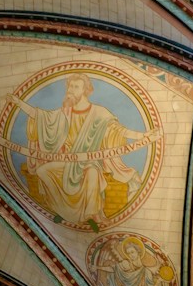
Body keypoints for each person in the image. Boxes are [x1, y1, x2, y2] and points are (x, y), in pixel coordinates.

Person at [15, 72, 153, 229]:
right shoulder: (65, 113)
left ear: (85, 90)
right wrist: (18, 103)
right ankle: (63, 210)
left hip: (89, 162)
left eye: (76, 87)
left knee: (92, 173)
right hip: (68, 162)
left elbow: (119, 131)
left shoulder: (99, 113)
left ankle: (93, 214)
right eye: (70, 87)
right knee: (43, 171)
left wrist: (142, 136)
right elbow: (41, 117)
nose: (71, 90)